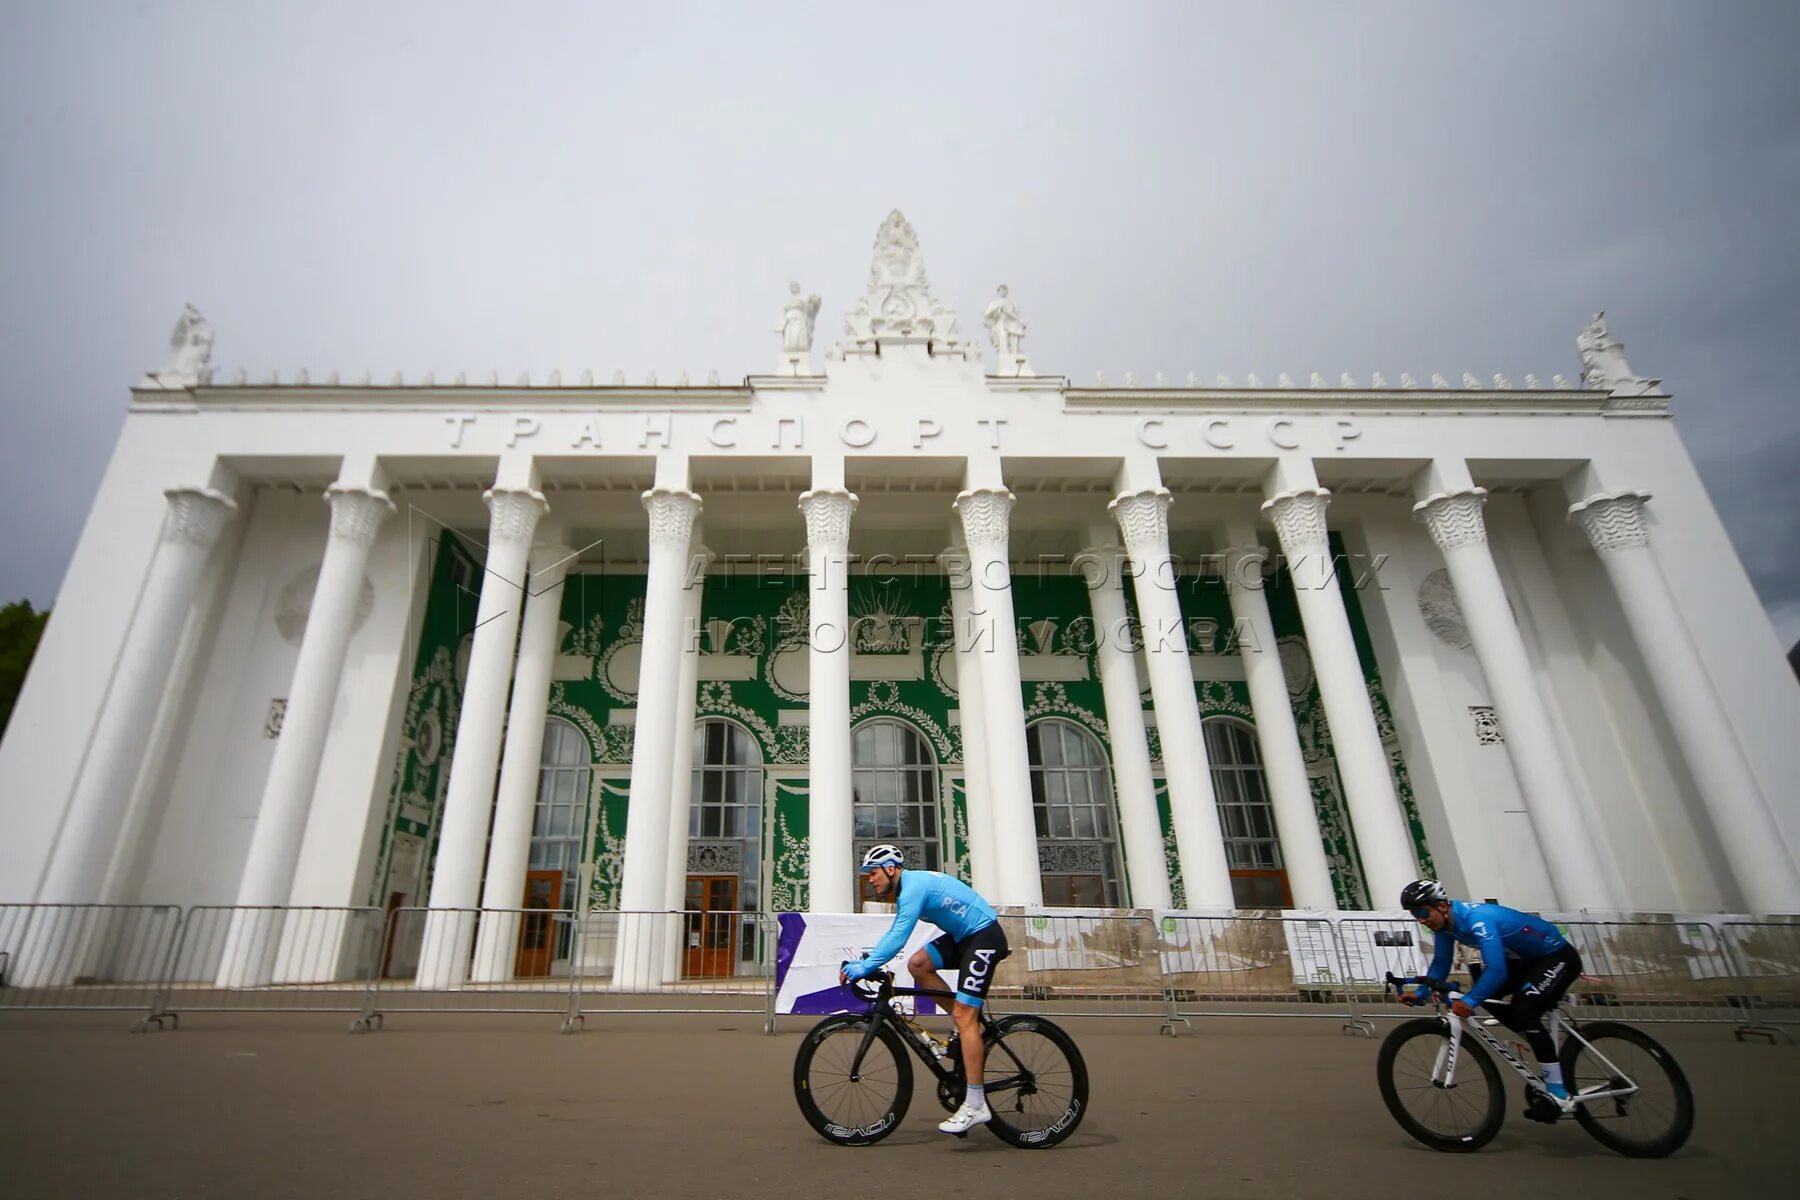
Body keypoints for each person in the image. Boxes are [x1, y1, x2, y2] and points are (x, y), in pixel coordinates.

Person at [839, 844, 1011, 1135]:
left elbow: (898, 936)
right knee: (919, 965)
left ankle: (976, 1103)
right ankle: (963, 1024)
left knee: (965, 1017)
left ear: (891, 869)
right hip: (964, 936)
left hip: (984, 936)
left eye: (873, 873)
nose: (870, 879)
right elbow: (897, 938)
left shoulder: (912, 888)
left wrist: (863, 968)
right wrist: (870, 960)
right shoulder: (910, 885)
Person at [1397, 879, 1583, 1107]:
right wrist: (1421, 992)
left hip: (1555, 956)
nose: (1421, 919)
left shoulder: (1478, 920)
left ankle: (1558, 1092)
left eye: (1423, 912)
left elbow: (1497, 969)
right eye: (1416, 914)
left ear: (1442, 906)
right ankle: (1540, 1039)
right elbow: (1441, 962)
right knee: (1492, 1000)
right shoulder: (1444, 927)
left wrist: (1470, 1000)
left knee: (1524, 1009)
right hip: (1525, 960)